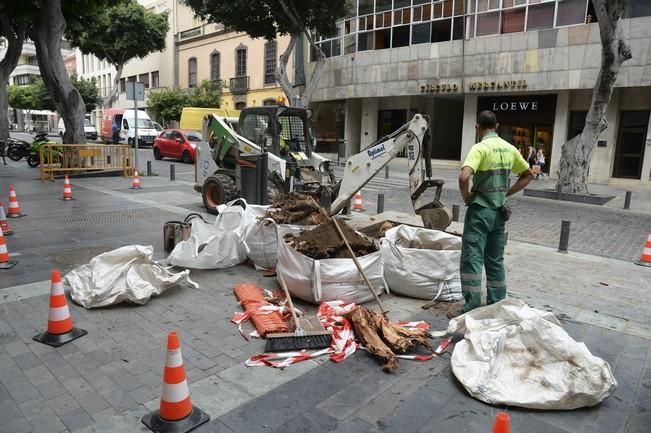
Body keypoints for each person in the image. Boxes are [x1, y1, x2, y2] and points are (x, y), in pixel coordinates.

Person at [455, 110, 533, 316]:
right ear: (497, 126)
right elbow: (527, 175)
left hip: (480, 211)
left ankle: (472, 304)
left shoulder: (480, 149)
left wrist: (467, 197)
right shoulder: (509, 149)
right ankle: (497, 302)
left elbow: (464, 177)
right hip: (499, 212)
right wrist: (506, 192)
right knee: (495, 258)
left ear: (477, 127)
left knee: (472, 257)